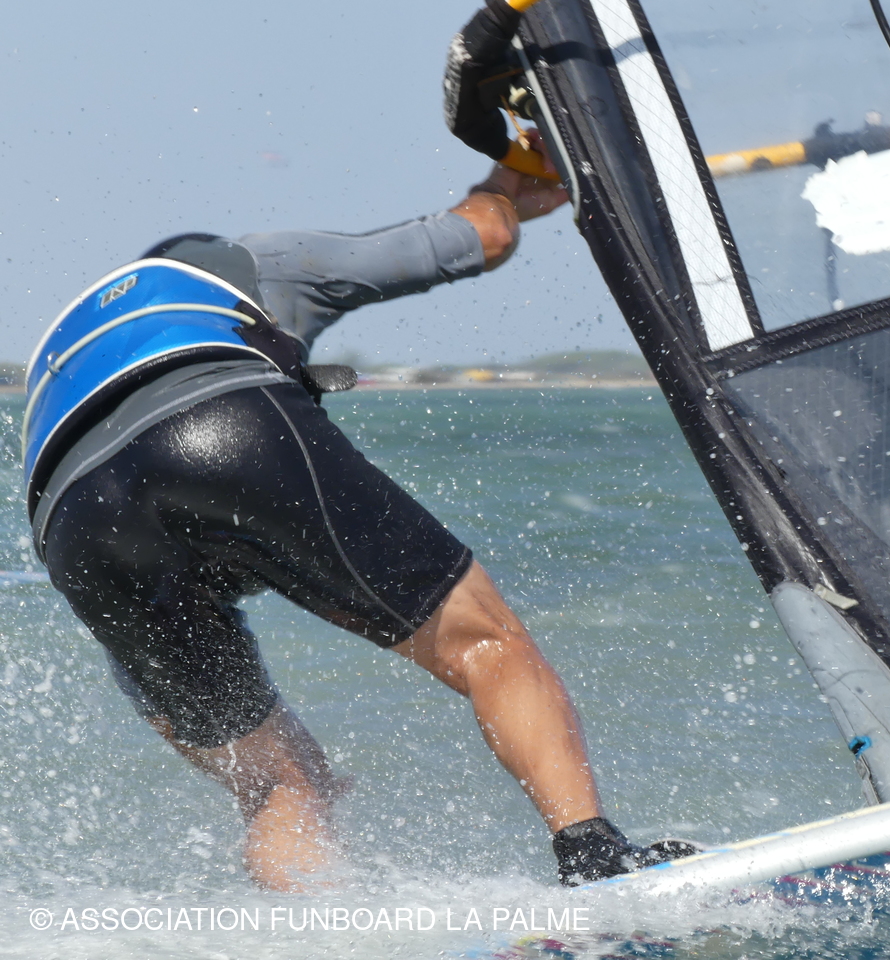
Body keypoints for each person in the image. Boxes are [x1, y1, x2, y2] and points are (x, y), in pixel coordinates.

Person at [23, 148, 687, 890]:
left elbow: (119, 595)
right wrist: (506, 186)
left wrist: (174, 694)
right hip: (219, 425)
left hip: (75, 524)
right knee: (486, 644)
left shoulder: (63, 354)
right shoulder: (249, 265)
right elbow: (481, 235)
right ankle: (594, 858)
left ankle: (326, 930)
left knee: (279, 782)